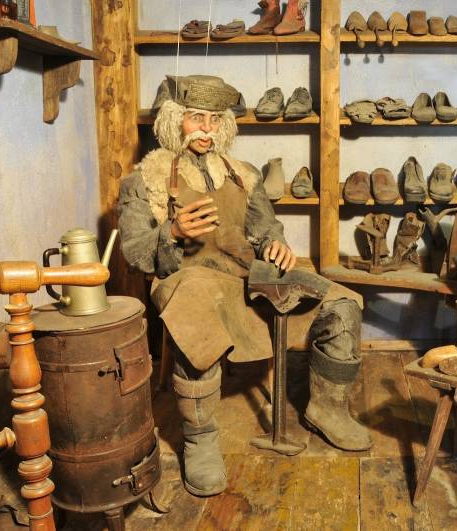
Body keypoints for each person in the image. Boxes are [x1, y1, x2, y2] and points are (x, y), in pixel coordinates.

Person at [117, 75, 371, 497]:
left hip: (244, 276)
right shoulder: (145, 180)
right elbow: (134, 252)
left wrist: (275, 244)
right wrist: (173, 232)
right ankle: (200, 438)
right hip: (187, 279)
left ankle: (328, 408)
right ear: (174, 120)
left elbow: (266, 227)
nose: (206, 129)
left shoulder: (243, 174)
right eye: (196, 118)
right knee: (194, 307)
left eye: (215, 120)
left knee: (342, 303)